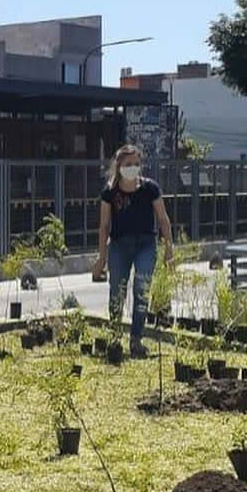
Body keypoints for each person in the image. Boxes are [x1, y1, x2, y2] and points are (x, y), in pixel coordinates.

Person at [92, 144, 174, 357]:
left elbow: (163, 219)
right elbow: (104, 226)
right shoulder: (110, 192)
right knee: (116, 292)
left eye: (136, 164)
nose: (133, 167)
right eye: (128, 164)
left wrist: (169, 248)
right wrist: (101, 257)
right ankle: (115, 337)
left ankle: (136, 339)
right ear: (119, 166)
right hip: (119, 245)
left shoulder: (150, 188)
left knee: (141, 289)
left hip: (146, 245)